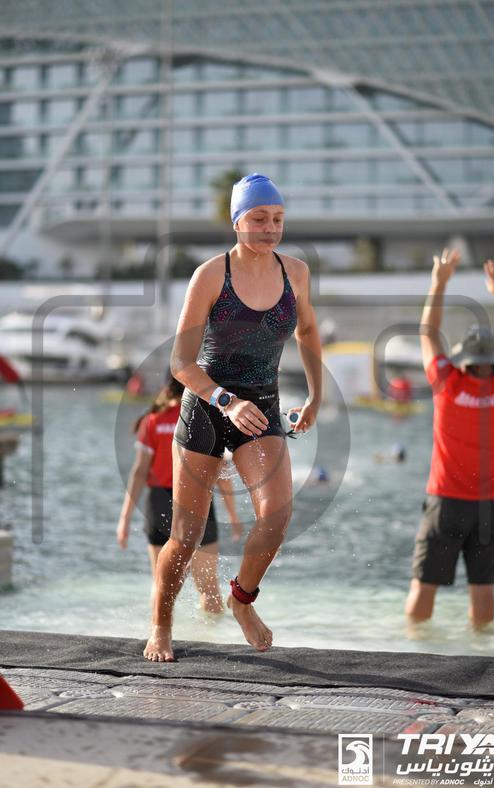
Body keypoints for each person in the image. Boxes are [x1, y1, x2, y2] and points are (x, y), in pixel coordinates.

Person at [144, 172, 322, 660]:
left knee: (277, 515)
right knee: (186, 537)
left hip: (261, 405)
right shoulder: (210, 275)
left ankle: (242, 600)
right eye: (259, 219)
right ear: (237, 222)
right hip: (207, 406)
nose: (270, 228)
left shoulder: (296, 273)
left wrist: (316, 395)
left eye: (278, 219)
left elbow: (308, 332)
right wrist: (226, 401)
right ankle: (161, 625)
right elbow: (181, 363)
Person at [405, 250, 494, 629]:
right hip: (493, 504)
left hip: (447, 501)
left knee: (424, 586)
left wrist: (439, 283)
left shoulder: (447, 382)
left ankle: (410, 649)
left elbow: (428, 333)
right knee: (484, 591)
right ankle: (484, 653)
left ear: (465, 359)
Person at [117, 377, 243, 614]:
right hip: (197, 500)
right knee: (208, 589)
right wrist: (233, 515)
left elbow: (139, 471)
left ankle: (158, 630)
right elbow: (221, 475)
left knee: (160, 584)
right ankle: (213, 634)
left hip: (158, 503)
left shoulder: (152, 420)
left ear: (167, 387)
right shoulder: (201, 419)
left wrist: (124, 518)